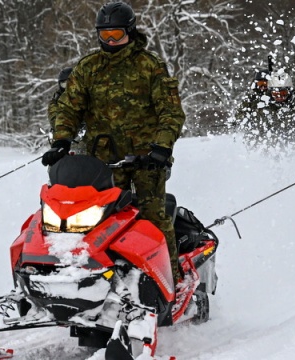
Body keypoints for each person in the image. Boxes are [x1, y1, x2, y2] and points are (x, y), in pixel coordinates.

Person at [42, 1, 186, 283]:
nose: (110, 41)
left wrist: (161, 147)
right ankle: (95, 278)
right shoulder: (89, 67)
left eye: (116, 35)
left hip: (147, 160)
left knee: (152, 219)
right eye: (104, 35)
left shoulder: (150, 66)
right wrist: (61, 140)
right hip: (101, 160)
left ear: (130, 33)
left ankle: (172, 282)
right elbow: (69, 108)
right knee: (95, 220)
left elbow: (171, 112)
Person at [238, 68, 295, 156]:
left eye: (283, 93)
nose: (280, 97)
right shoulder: (263, 106)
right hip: (270, 150)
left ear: (289, 92)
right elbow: (256, 129)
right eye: (276, 94)